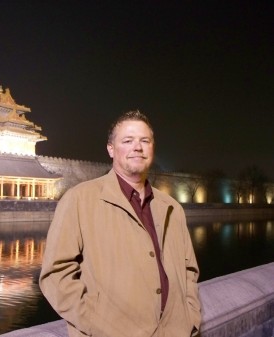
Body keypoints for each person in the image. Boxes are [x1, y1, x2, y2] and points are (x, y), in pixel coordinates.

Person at [39, 110, 201, 337]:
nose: (138, 147)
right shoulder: (79, 199)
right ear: (111, 149)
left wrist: (190, 319)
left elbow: (189, 271)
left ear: (152, 148)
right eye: (127, 140)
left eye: (145, 141)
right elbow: (55, 275)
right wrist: (96, 323)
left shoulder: (171, 208)